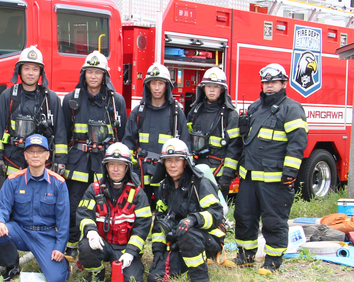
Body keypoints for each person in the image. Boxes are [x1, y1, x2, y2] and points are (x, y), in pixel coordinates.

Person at [224, 64, 308, 275]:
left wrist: (290, 173)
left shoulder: (292, 109)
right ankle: (246, 255)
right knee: (244, 216)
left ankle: (273, 261)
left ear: (283, 83)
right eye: (266, 82)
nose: (269, 86)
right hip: (250, 176)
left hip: (275, 178)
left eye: (273, 82)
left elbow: (297, 144)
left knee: (274, 219)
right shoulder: (254, 108)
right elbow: (242, 144)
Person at [62, 51, 127, 259]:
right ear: (84, 74)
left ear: (104, 75)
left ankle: (104, 242)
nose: (93, 76)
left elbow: (121, 135)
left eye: (97, 72)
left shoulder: (116, 101)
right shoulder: (71, 100)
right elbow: (64, 133)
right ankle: (72, 244)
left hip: (104, 163)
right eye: (89, 71)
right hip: (78, 162)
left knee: (105, 204)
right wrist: (61, 162)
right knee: (75, 205)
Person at [147, 138, 225, 282]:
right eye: (168, 160)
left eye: (177, 160)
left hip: (207, 237)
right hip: (180, 239)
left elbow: (216, 214)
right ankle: (185, 263)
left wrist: (194, 219)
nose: (173, 165)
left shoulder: (200, 183)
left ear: (186, 162)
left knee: (186, 229)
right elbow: (160, 222)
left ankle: (200, 279)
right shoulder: (163, 187)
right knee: (154, 279)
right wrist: (158, 252)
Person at [0, 134, 70, 282]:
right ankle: (11, 266)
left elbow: (63, 220)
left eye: (40, 151)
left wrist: (60, 247)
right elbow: (2, 208)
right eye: (31, 151)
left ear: (47, 155)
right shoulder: (13, 180)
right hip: (21, 232)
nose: (35, 155)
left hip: (45, 235)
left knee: (56, 280)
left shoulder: (58, 183)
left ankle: (62, 264)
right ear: (25, 156)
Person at [76, 143, 151, 282]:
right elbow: (83, 214)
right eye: (111, 165)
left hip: (125, 246)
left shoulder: (137, 193)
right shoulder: (94, 189)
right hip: (101, 243)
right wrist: (91, 232)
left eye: (120, 165)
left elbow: (142, 227)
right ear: (106, 167)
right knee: (86, 247)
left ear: (127, 167)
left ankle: (131, 263)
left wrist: (130, 252)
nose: (115, 169)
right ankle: (96, 273)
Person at [0, 46, 67, 177]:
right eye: (26, 68)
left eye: (35, 69)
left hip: (41, 160)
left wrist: (60, 160)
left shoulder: (50, 98)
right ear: (19, 70)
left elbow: (60, 131)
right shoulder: (8, 96)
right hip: (13, 160)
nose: (30, 73)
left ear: (40, 72)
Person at [123, 62, 190, 210]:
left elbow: (185, 146)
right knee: (140, 213)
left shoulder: (176, 113)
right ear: (148, 85)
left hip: (167, 173)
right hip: (141, 173)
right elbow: (128, 144)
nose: (157, 87)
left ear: (167, 86)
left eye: (161, 83)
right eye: (154, 83)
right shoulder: (137, 113)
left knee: (166, 213)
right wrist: (132, 171)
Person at [187, 67, 241, 199]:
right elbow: (187, 140)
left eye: (216, 86)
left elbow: (234, 148)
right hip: (196, 171)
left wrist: (226, 177)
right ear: (203, 88)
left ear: (222, 89)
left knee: (216, 213)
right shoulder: (195, 111)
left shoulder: (230, 115)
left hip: (218, 175)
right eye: (209, 86)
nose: (211, 90)